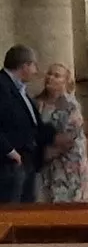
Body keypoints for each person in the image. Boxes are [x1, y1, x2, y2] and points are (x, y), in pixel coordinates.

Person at [32, 64, 88, 203]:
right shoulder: (37, 102)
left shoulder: (70, 104)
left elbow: (70, 136)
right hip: (46, 164)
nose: (50, 77)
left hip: (68, 163)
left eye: (56, 75)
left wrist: (45, 154)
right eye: (49, 74)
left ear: (65, 81)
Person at [0, 46, 48, 204]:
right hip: (10, 162)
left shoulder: (19, 88)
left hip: (27, 159)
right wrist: (10, 151)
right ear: (24, 66)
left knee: (28, 209)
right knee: (12, 211)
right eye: (34, 65)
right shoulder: (2, 86)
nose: (35, 71)